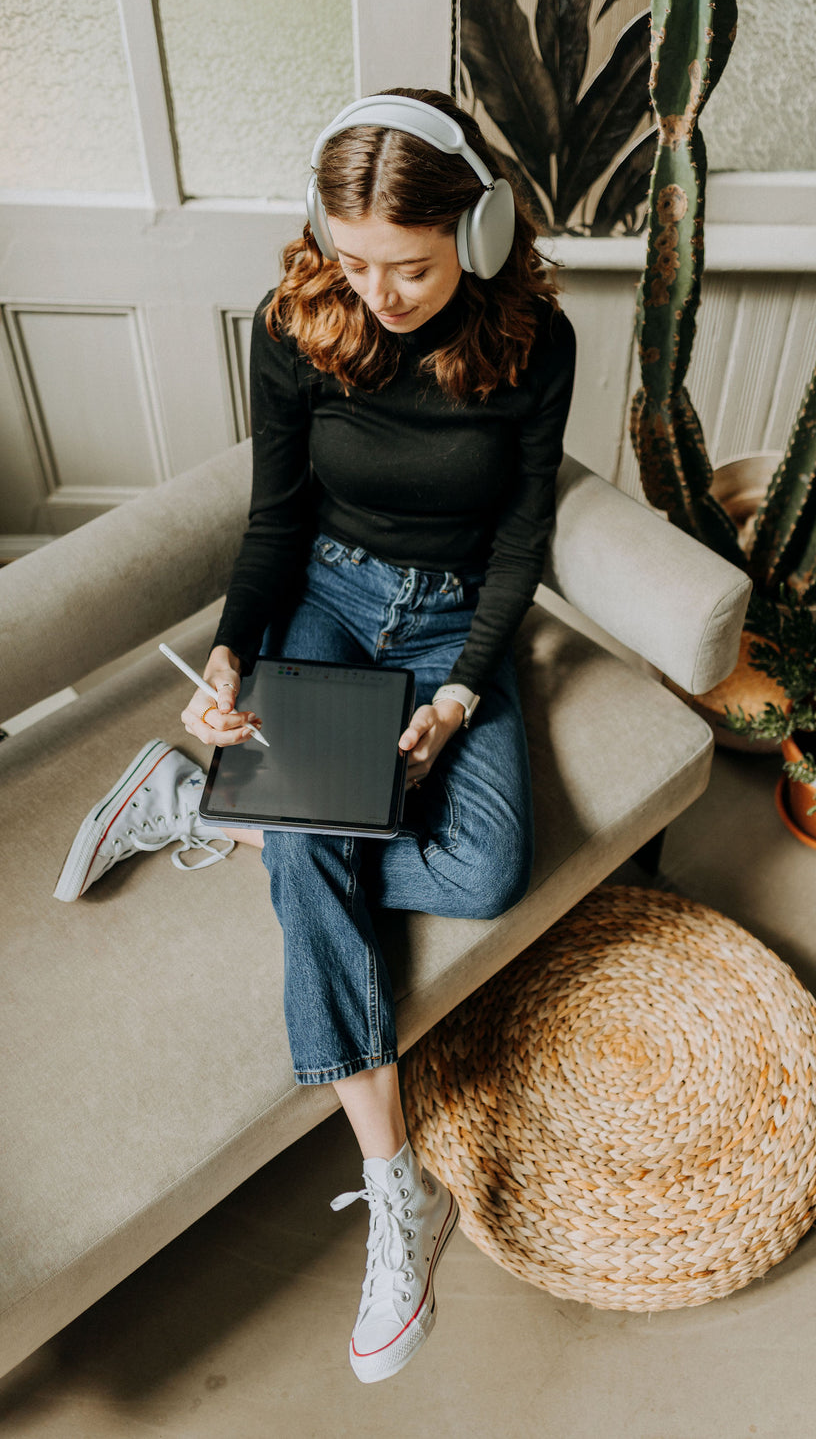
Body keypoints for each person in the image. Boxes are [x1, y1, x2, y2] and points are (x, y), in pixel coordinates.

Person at [54, 87, 576, 1383]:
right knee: (309, 843)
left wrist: (459, 691)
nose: (382, 292)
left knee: (482, 867)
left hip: (453, 622)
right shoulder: (295, 326)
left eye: (408, 265)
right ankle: (400, 1188)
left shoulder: (535, 342)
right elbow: (274, 522)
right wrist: (231, 651)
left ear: (488, 228)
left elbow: (522, 540)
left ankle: (200, 808)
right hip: (328, 601)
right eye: (353, 260)